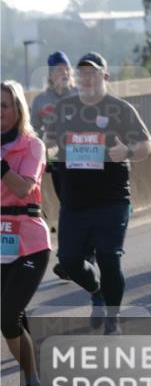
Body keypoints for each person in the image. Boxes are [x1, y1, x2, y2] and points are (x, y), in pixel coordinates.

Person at [46, 52, 151, 332]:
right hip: (74, 200)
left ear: (105, 77)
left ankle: (113, 317)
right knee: (69, 261)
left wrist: (127, 151)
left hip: (112, 198)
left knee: (109, 257)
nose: (87, 79)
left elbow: (148, 146)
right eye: (82, 74)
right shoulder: (64, 108)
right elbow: (48, 141)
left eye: (93, 74)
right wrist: (48, 151)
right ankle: (97, 292)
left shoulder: (120, 109)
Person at [2, 81, 51, 386]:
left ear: (18, 109)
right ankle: (33, 382)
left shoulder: (31, 146)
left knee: (6, 318)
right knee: (14, 314)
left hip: (29, 242)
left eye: (4, 105)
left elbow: (22, 189)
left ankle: (33, 379)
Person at [31, 52, 91, 280]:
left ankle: (79, 256)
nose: (64, 73)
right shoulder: (40, 101)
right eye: (59, 70)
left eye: (66, 69)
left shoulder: (80, 94)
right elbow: (34, 132)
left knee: (81, 208)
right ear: (49, 75)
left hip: (85, 161)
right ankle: (71, 258)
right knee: (68, 207)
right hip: (58, 163)